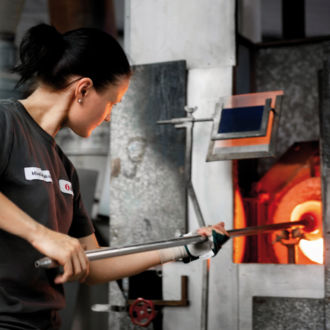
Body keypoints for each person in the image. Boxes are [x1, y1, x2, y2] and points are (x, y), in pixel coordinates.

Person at [0, 23, 229, 329]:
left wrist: (180, 248)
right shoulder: (6, 122)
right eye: (111, 103)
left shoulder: (63, 167)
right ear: (83, 89)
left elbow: (93, 261)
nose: (109, 115)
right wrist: (42, 235)